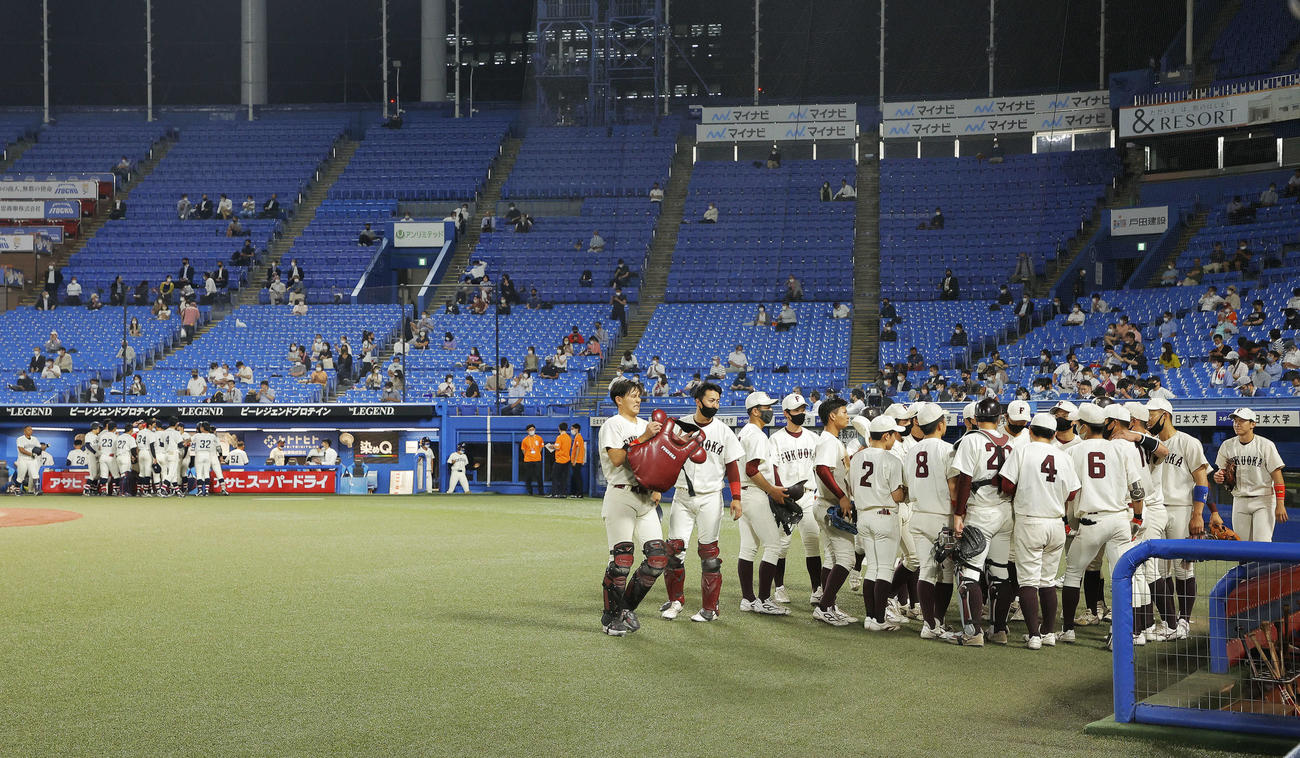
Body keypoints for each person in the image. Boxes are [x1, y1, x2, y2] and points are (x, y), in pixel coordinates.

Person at [1057, 403, 1145, 647]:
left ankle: (1068, 631)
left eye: (1078, 424)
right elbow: (1137, 489)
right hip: (1119, 519)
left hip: (1092, 520)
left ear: (1084, 426)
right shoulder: (1120, 448)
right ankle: (1119, 633)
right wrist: (1137, 518)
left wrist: (1067, 521)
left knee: (1073, 572)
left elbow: (1068, 493)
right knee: (1122, 577)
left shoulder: (1074, 452)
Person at [658, 382, 743, 623]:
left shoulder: (724, 431)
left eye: (717, 401)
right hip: (682, 496)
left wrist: (736, 498)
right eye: (711, 401)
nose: (715, 405)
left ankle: (710, 608)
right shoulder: (678, 426)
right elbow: (666, 460)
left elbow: (732, 467)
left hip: (710, 498)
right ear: (698, 401)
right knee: (673, 551)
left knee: (709, 555)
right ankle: (675, 601)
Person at [996, 412, 1081, 649]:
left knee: (1028, 582)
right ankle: (1049, 633)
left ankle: (1034, 635)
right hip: (1055, 523)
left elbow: (1006, 484)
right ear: (1054, 434)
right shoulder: (1063, 455)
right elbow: (1073, 493)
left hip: (1030, 521)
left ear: (1031, 431)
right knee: (1048, 581)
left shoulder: (1023, 450)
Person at [596, 379, 669, 637]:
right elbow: (617, 459)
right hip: (621, 495)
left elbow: (656, 461)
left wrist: (658, 485)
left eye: (639, 396)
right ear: (619, 400)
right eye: (632, 396)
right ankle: (609, 617)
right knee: (621, 562)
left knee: (658, 560)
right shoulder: (612, 425)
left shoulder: (645, 424)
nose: (638, 400)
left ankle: (626, 608)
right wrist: (646, 436)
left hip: (646, 498)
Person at [946, 397, 1015, 647]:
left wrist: (958, 513)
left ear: (975, 419)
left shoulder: (971, 440)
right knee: (999, 574)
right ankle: (998, 629)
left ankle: (972, 632)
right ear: (999, 419)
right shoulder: (1012, 442)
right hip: (1006, 511)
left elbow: (964, 480)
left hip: (981, 511)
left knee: (968, 574)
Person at [770, 393, 823, 606]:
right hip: (786, 498)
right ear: (786, 414)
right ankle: (779, 588)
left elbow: (820, 468)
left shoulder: (813, 438)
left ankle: (816, 589)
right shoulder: (776, 439)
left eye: (803, 409)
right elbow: (773, 468)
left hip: (809, 494)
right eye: (797, 410)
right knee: (781, 545)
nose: (801, 413)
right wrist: (778, 494)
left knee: (813, 543)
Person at [1213, 408, 1287, 541]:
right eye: (1235, 421)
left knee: (1262, 543)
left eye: (1242, 420)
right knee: (1241, 545)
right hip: (1239, 499)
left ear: (1253, 424)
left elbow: (1277, 476)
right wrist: (1219, 476)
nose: (1237, 424)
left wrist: (1280, 504)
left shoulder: (1265, 445)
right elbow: (1221, 472)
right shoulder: (1227, 445)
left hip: (1263, 499)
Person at [546, 424, 573, 499]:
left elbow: (557, 447)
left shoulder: (559, 437)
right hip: (567, 459)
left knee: (554, 477)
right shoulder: (569, 437)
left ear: (559, 428)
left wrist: (551, 446)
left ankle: (554, 493)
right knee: (564, 478)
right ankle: (563, 493)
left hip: (559, 460)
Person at [519, 425, 544, 496]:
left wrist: (536, 454)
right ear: (527, 431)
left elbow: (541, 447)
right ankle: (530, 492)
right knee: (528, 477)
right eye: (530, 430)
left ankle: (541, 492)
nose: (531, 431)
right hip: (528, 460)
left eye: (533, 429)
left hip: (537, 460)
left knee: (539, 476)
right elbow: (523, 449)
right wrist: (528, 455)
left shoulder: (539, 438)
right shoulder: (525, 440)